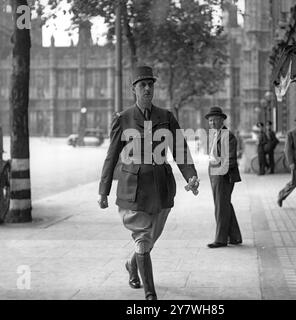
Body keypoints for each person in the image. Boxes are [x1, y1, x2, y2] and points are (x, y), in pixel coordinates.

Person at [98, 66, 199, 300]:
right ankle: (150, 294)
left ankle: (132, 266)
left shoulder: (166, 117)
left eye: (150, 84)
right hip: (134, 191)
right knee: (143, 239)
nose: (147, 88)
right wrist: (103, 191)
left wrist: (191, 176)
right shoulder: (122, 120)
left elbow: (181, 151)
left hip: (162, 189)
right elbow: (111, 156)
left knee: (150, 238)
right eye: (142, 85)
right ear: (133, 89)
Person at [205, 107, 242, 248]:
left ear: (222, 120)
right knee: (224, 204)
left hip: (223, 175)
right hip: (214, 173)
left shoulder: (228, 135)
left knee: (221, 206)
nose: (212, 123)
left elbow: (231, 158)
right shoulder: (215, 135)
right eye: (210, 120)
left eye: (214, 120)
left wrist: (220, 169)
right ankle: (235, 237)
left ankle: (220, 239)